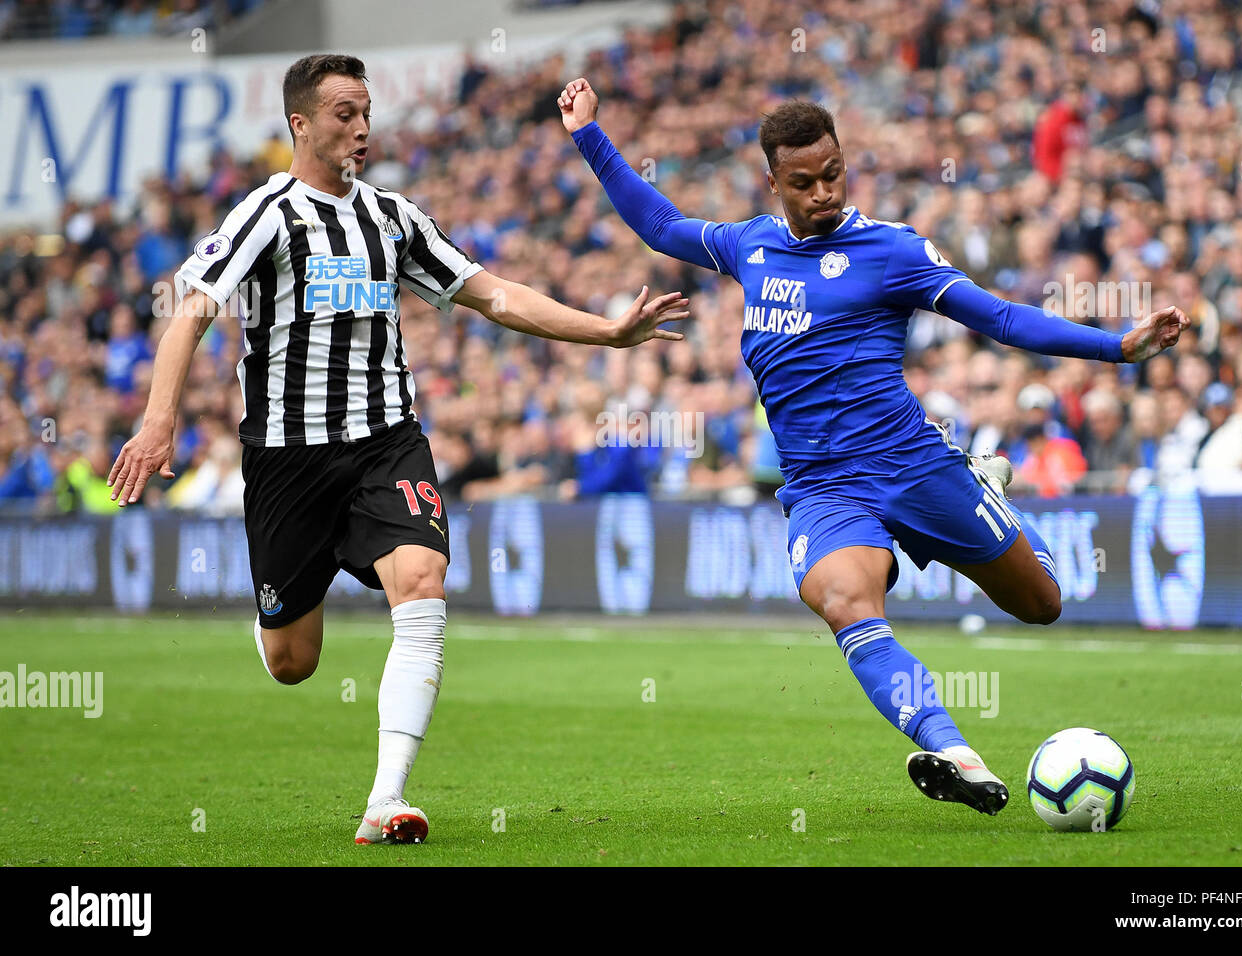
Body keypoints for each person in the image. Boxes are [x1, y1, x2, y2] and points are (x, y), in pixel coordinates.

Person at [559, 78, 1187, 816]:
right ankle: (955, 750)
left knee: (1042, 604)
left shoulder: (892, 252)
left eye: (833, 174)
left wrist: (1116, 346)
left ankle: (982, 487)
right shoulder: (748, 246)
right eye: (803, 183)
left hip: (911, 464)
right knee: (844, 600)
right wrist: (589, 136)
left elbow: (1002, 319)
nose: (823, 192)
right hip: (822, 486)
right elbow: (660, 224)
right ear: (773, 182)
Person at [107, 54, 690, 846]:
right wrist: (158, 419)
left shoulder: (391, 216)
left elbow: (495, 294)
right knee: (292, 661)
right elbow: (191, 313)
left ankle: (386, 800)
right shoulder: (265, 216)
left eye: (366, 110)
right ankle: (278, 610)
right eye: (343, 112)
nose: (360, 126)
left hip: (387, 445)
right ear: (300, 125)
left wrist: (607, 331)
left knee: (422, 581)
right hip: (290, 460)